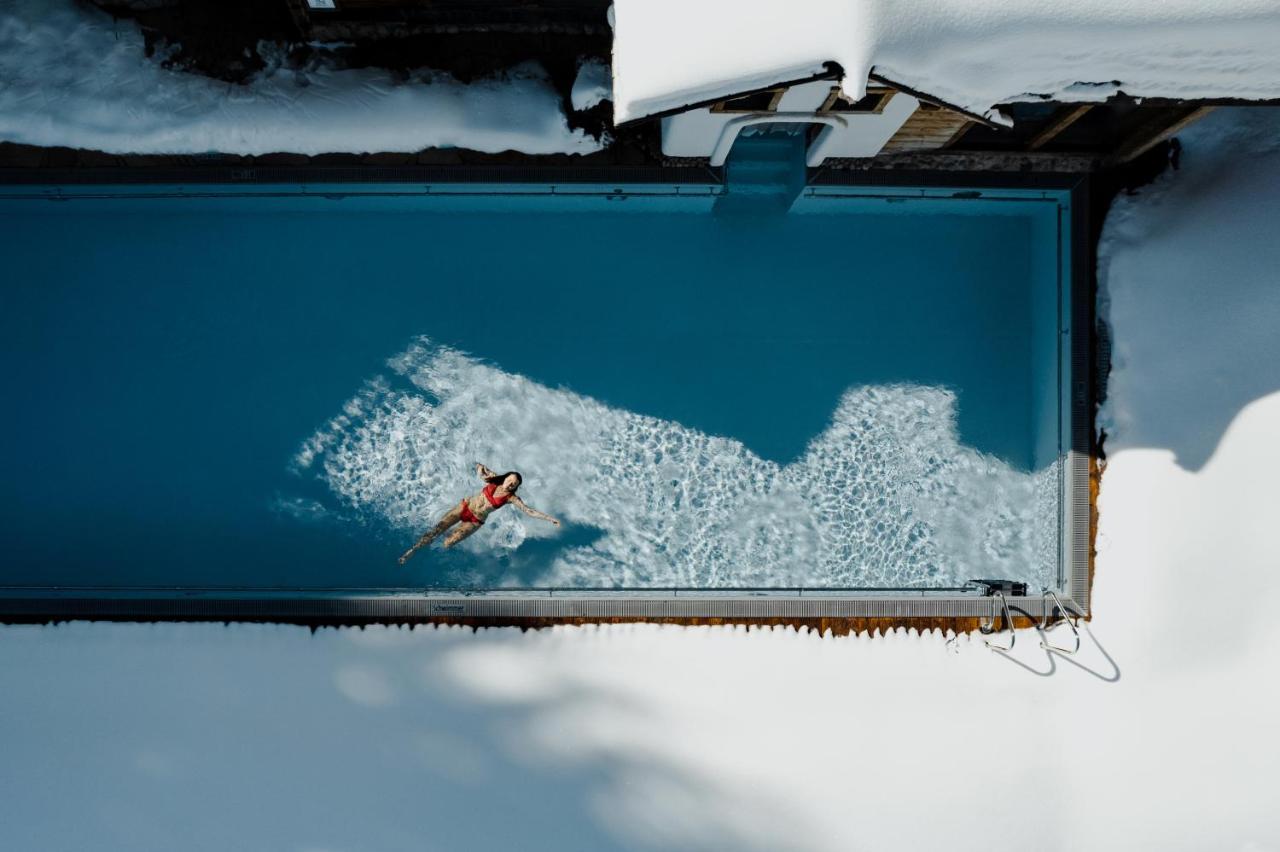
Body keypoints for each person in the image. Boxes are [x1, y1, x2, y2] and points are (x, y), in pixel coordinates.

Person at [399, 463, 560, 563]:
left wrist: (550, 518)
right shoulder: (494, 478)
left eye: (514, 484)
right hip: (466, 506)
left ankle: (432, 551)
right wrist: (479, 467)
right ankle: (412, 551)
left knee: (447, 543)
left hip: (475, 521)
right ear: (505, 478)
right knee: (436, 530)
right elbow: (479, 467)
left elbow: (529, 511)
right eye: (510, 480)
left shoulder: (511, 498)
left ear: (516, 487)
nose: (510, 484)